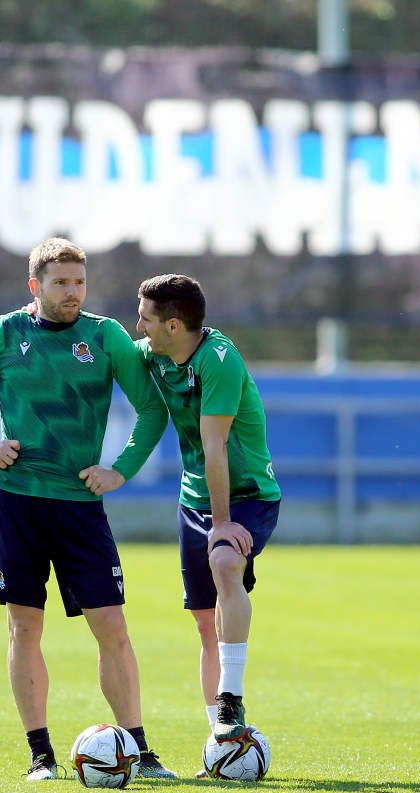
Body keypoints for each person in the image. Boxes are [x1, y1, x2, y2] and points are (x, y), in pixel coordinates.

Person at [0, 237, 176, 782]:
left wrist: (121, 469)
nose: (73, 292)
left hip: (80, 506)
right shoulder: (4, 333)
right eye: (62, 282)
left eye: (80, 282)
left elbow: (152, 410)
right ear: (35, 286)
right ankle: (40, 755)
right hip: (17, 501)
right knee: (25, 627)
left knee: (111, 626)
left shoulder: (106, 335)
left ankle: (139, 748)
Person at [130, 274, 281, 749]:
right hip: (194, 496)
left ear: (173, 326)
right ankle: (220, 738)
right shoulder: (155, 354)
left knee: (224, 561)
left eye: (146, 318)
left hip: (248, 495)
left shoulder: (220, 361)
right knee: (202, 619)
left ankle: (231, 698)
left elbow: (214, 448)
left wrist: (221, 525)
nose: (139, 327)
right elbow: (111, 344)